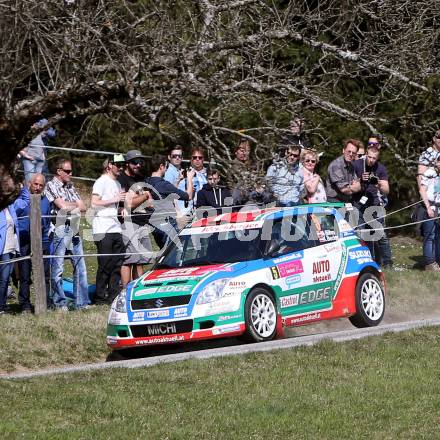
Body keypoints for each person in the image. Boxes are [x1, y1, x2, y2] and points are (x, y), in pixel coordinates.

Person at [45, 158, 89, 310]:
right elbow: (61, 206)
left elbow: (83, 206)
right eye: (68, 171)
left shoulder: (70, 186)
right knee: (58, 268)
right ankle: (59, 302)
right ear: (59, 171)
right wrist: (73, 205)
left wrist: (72, 205)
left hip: (74, 228)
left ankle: (81, 302)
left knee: (80, 267)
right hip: (60, 228)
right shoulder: (50, 185)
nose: (71, 174)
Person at [13, 174, 52, 312]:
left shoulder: (45, 200)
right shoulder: (20, 200)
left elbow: (47, 222)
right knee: (24, 275)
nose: (38, 187)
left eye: (41, 185)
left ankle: (44, 303)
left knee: (45, 274)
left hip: (43, 241)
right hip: (25, 241)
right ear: (30, 183)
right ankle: (25, 304)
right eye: (35, 184)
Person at [91, 155, 127, 305]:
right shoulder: (101, 182)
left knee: (117, 264)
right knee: (105, 264)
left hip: (116, 228)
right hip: (103, 227)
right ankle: (99, 298)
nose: (121, 168)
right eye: (118, 165)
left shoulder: (118, 184)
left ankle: (112, 296)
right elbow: (94, 203)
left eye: (122, 165)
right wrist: (115, 199)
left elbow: (114, 205)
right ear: (109, 165)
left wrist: (121, 209)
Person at [117, 150, 152, 286]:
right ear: (127, 163)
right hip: (129, 223)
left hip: (142, 222)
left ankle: (138, 288)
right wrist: (145, 196)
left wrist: (146, 199)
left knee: (141, 259)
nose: (138, 165)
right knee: (130, 259)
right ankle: (125, 290)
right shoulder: (122, 180)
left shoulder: (140, 178)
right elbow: (129, 204)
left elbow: (149, 201)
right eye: (134, 162)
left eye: (140, 162)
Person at [353, 146, 392, 267]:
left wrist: (379, 184)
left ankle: (388, 262)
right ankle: (368, 262)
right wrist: (360, 179)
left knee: (381, 234)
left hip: (374, 203)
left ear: (377, 158)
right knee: (362, 234)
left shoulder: (380, 168)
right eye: (369, 157)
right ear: (365, 154)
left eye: (374, 158)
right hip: (358, 203)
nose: (371, 160)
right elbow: (351, 184)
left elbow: (387, 190)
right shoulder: (356, 165)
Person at [146, 154, 194, 250]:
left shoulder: (147, 182)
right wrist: (189, 178)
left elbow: (167, 194)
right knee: (172, 256)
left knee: (163, 254)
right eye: (166, 167)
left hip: (155, 226)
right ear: (161, 166)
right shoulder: (163, 184)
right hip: (167, 226)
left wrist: (178, 180)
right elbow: (188, 196)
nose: (166, 170)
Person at [419, 157, 440, 271]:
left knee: (437, 235)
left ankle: (437, 260)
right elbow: (422, 190)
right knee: (430, 235)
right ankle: (429, 263)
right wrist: (428, 207)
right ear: (437, 162)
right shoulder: (429, 173)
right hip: (429, 207)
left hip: (438, 208)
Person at [325, 139, 363, 203]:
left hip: (346, 200)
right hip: (333, 201)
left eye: (353, 153)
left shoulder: (351, 166)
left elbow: (357, 183)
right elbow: (344, 190)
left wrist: (354, 186)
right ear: (343, 150)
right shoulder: (336, 166)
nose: (351, 154)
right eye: (349, 151)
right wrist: (357, 187)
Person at [19, 119, 56, 183]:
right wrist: (25, 155)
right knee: (30, 178)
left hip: (41, 154)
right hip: (29, 155)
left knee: (40, 177)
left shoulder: (43, 122)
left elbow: (52, 134)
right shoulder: (27, 123)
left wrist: (43, 129)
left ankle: (43, 188)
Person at [0, 203, 20, 315]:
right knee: (3, 279)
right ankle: (1, 306)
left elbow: (25, 201)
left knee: (6, 279)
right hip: (3, 249)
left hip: (12, 248)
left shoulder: (11, 206)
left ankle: (2, 305)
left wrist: (22, 186)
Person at [177, 147, 207, 216]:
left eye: (200, 157)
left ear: (203, 159)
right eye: (194, 157)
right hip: (190, 211)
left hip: (207, 209)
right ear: (191, 159)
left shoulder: (208, 174)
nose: (197, 159)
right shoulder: (185, 174)